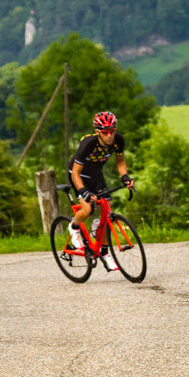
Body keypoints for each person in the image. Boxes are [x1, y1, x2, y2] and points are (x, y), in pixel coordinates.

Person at [69, 111, 134, 267]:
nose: (109, 135)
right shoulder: (88, 144)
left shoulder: (118, 141)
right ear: (98, 132)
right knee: (88, 209)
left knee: (106, 209)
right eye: (105, 132)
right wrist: (84, 192)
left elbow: (120, 160)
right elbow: (75, 173)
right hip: (78, 176)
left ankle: (104, 252)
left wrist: (124, 176)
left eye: (112, 131)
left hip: (96, 176)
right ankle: (74, 227)